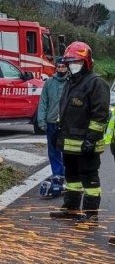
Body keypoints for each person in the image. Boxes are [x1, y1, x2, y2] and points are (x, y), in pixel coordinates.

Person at [49, 42, 109, 222]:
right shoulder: (70, 82)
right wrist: (58, 132)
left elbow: (99, 116)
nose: (73, 65)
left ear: (86, 62)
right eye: (70, 62)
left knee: (89, 178)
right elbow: (65, 111)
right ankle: (71, 208)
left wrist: (91, 139)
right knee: (72, 176)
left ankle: (90, 214)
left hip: (86, 143)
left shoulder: (96, 84)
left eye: (77, 62)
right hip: (69, 142)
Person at [36, 57, 67, 197]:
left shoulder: (71, 82)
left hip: (67, 123)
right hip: (52, 122)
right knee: (53, 151)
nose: (61, 69)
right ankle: (58, 175)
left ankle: (68, 174)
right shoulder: (49, 83)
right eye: (59, 66)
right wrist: (41, 120)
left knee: (67, 151)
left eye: (63, 66)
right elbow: (43, 102)